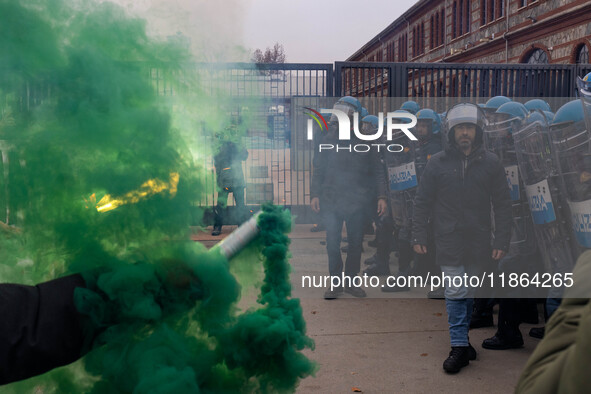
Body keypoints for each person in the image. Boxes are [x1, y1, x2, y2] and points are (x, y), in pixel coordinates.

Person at [412, 103, 512, 373]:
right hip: (448, 238)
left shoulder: (492, 162)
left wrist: (502, 240)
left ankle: (464, 341)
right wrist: (418, 233)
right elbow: (422, 201)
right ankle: (458, 347)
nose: (465, 133)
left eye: (469, 127)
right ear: (451, 132)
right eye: (460, 128)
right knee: (456, 291)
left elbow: (503, 204)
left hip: (479, 240)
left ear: (477, 130)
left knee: (468, 292)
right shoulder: (437, 164)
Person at [310, 98, 388, 299]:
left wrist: (381, 196)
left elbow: (378, 170)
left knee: (355, 244)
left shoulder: (366, 140)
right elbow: (319, 168)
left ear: (356, 117)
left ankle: (351, 283)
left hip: (357, 201)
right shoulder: (327, 139)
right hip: (331, 200)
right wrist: (315, 194)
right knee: (332, 244)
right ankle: (335, 284)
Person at [212, 123, 249, 236]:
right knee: (221, 204)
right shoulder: (220, 144)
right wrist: (226, 146)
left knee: (240, 204)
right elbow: (217, 158)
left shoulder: (237, 143)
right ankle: (217, 226)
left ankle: (242, 226)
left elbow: (244, 156)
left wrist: (236, 146)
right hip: (224, 178)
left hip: (237, 178)